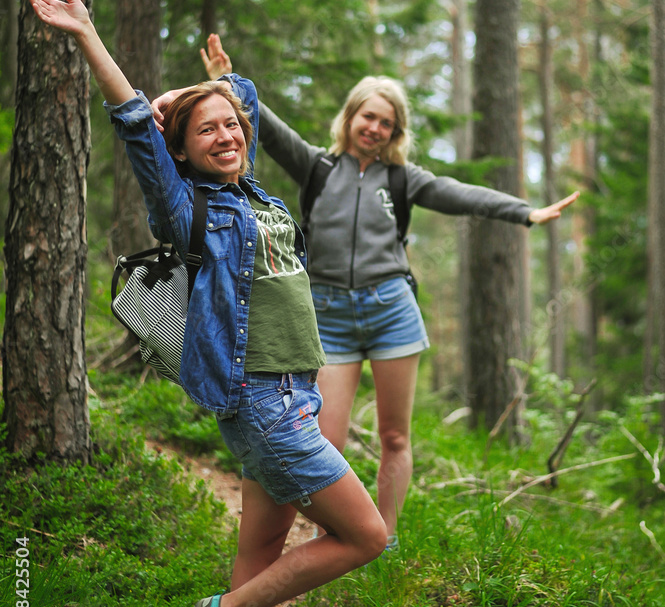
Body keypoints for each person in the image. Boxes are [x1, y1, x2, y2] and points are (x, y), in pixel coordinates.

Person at [21, 0, 388, 607]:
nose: (225, 135)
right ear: (181, 150)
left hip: (296, 393)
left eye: (232, 126)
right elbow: (134, 125)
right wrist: (90, 35)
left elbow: (236, 104)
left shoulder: (256, 197)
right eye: (207, 131)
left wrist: (222, 80)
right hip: (259, 401)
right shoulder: (189, 206)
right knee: (366, 536)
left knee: (260, 550)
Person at [155, 37, 579, 552]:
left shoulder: (402, 179)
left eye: (388, 123)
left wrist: (525, 212)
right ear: (350, 117)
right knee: (320, 436)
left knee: (395, 437)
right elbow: (255, 123)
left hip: (392, 313)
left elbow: (459, 194)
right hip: (328, 316)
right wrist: (226, 80)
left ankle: (388, 537)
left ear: (395, 132)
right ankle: (331, 535)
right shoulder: (317, 167)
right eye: (368, 117)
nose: (375, 129)